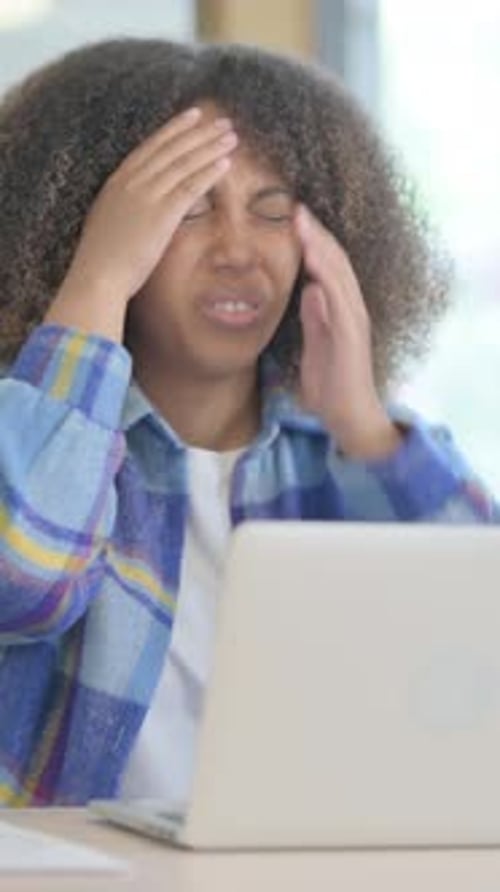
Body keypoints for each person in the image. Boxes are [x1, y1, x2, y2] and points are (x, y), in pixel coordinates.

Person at [0, 37, 496, 808]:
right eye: (189, 209)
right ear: (84, 228)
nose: (238, 250)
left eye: (273, 212)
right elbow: (23, 580)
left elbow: (479, 645)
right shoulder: (32, 432)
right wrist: (95, 282)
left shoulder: (349, 453)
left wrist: (361, 424)